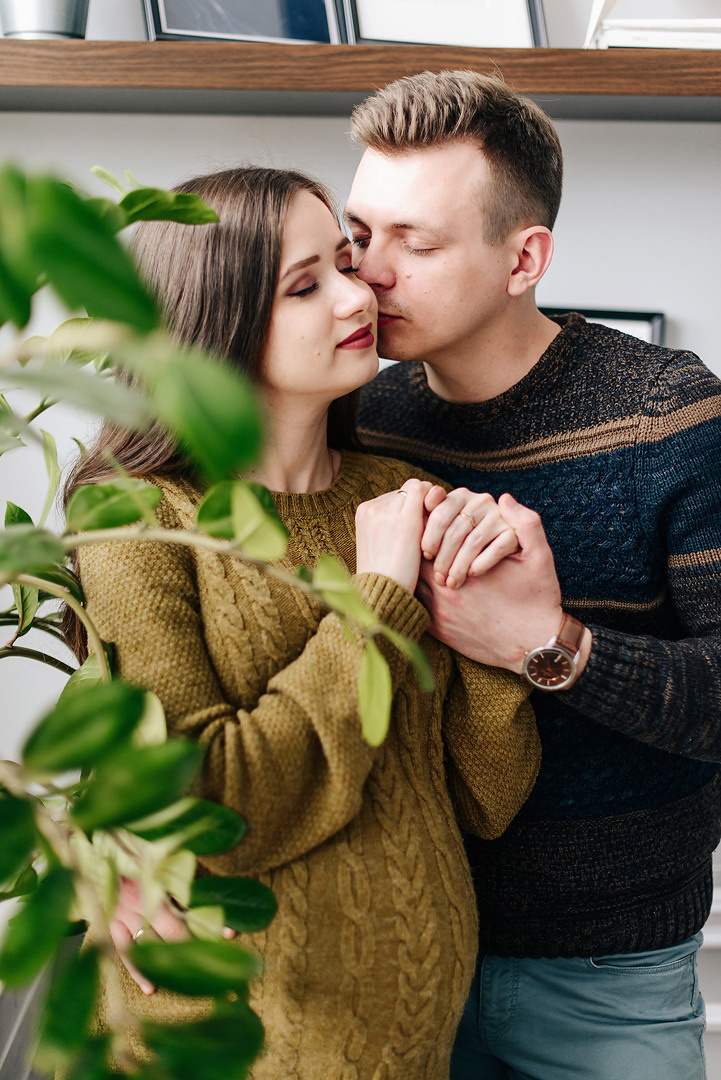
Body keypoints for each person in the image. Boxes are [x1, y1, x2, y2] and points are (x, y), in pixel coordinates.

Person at [62, 165, 543, 1080]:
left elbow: (487, 797)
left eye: (346, 263)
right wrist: (376, 602)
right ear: (213, 325)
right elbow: (215, 808)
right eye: (304, 284)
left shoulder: (403, 503)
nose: (357, 294)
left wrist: (506, 624)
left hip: (410, 1046)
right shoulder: (137, 520)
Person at [349, 69, 721, 1080]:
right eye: (360, 235)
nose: (370, 276)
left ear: (524, 258)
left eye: (416, 245)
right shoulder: (357, 418)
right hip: (398, 947)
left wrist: (548, 648)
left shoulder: (668, 415)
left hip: (613, 972)